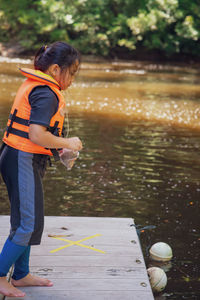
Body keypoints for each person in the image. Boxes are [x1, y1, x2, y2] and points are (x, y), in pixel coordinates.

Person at [0, 41, 82, 297]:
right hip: (21, 158)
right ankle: (1, 276)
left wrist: (59, 149)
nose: (73, 79)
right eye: (72, 72)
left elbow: (38, 133)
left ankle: (21, 275)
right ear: (56, 69)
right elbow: (36, 134)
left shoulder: (43, 88)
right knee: (27, 225)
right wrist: (68, 142)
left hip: (21, 157)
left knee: (28, 223)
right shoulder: (46, 93)